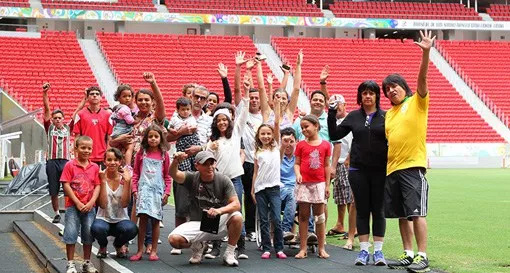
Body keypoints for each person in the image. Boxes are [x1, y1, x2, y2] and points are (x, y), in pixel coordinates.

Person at [384, 30, 435, 273]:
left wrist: (425, 54)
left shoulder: (417, 102)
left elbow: (422, 81)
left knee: (416, 213)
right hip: (392, 169)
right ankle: (408, 253)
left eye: (395, 86)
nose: (392, 91)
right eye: (388, 89)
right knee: (402, 216)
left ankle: (422, 256)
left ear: (404, 88)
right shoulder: (389, 114)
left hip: (412, 168)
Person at [328, 81, 388, 266]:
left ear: (377, 96)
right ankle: (363, 251)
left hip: (380, 170)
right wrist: (331, 112)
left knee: (378, 210)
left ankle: (378, 252)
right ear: (360, 97)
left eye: (371, 93)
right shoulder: (353, 116)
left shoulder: (387, 116)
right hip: (358, 170)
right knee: (362, 210)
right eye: (364, 93)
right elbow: (335, 134)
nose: (368, 96)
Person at [109, 72, 166, 254]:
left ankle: (149, 242)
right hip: (129, 168)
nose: (143, 102)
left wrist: (153, 83)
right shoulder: (129, 119)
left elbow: (161, 105)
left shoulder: (154, 119)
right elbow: (111, 141)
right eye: (140, 99)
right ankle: (125, 240)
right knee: (129, 205)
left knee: (149, 208)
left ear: (152, 102)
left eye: (147, 100)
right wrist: (119, 140)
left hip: (150, 170)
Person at [168, 151, 243, 267]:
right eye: (205, 164)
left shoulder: (223, 180)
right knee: (174, 240)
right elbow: (173, 174)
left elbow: (236, 204)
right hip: (197, 222)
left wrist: (219, 211)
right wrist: (175, 161)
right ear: (196, 165)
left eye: (212, 163)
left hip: (218, 222)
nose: (210, 167)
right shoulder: (192, 177)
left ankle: (229, 253)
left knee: (237, 217)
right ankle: (198, 247)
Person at [206, 78, 250, 259]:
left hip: (234, 178)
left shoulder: (236, 133)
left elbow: (243, 113)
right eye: (219, 120)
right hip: (218, 180)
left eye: (225, 120)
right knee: (215, 210)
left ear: (229, 121)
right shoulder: (212, 141)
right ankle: (215, 246)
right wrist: (210, 150)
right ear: (215, 123)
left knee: (235, 210)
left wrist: (246, 93)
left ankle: (240, 246)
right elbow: (207, 160)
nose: (222, 123)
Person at [167, 85, 213, 255]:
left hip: (203, 162)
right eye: (197, 96)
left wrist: (199, 148)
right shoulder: (177, 115)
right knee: (181, 202)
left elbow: (213, 142)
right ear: (191, 96)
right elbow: (167, 137)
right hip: (183, 160)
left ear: (207, 101)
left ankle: (205, 242)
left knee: (207, 204)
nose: (199, 100)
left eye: (203, 98)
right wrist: (182, 131)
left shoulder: (209, 119)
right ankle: (178, 240)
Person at [42, 82, 85, 224]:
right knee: (54, 190)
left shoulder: (68, 128)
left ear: (63, 119)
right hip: (52, 162)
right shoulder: (49, 128)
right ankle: (56, 213)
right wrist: (45, 93)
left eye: (60, 117)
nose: (57, 120)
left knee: (68, 189)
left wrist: (84, 98)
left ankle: (69, 212)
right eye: (55, 118)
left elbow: (77, 112)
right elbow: (47, 109)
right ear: (52, 120)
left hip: (66, 162)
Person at [250, 97, 286, 259]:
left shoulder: (276, 148)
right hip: (260, 189)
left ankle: (279, 248)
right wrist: (252, 189)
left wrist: (277, 106)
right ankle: (266, 247)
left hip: (274, 188)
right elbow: (256, 172)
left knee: (277, 219)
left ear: (272, 136)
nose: (265, 136)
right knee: (264, 220)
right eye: (262, 134)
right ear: (259, 136)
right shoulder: (257, 152)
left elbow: (277, 124)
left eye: (268, 134)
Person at [130, 125, 172, 262]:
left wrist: (167, 192)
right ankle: (139, 250)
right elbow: (135, 173)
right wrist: (135, 189)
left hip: (157, 192)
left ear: (161, 138)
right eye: (150, 136)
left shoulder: (164, 155)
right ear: (146, 138)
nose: (153, 139)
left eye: (156, 136)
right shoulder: (141, 153)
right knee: (142, 221)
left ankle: (154, 250)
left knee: (155, 221)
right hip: (143, 191)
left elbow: (167, 176)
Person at [60, 136, 100, 273]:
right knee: (71, 232)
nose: (86, 151)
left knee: (88, 233)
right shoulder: (70, 165)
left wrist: (91, 202)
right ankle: (70, 263)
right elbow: (66, 184)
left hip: (89, 207)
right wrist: (77, 202)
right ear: (76, 149)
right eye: (83, 148)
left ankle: (87, 262)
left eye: (89, 148)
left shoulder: (94, 167)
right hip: (73, 206)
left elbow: (97, 186)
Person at [234, 52, 263, 243]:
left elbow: (262, 89)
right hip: (241, 161)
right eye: (251, 97)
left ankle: (252, 229)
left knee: (254, 197)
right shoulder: (241, 112)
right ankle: (239, 228)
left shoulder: (264, 116)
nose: (253, 100)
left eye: (256, 97)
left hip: (258, 161)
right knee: (238, 195)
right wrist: (240, 68)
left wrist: (255, 70)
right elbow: (238, 91)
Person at [294, 115, 331, 259]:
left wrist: (327, 185)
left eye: (306, 127)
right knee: (303, 216)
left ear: (316, 126)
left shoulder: (326, 145)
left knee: (319, 217)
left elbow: (327, 166)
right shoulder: (301, 145)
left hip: (319, 184)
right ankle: (303, 248)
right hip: (304, 184)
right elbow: (297, 163)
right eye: (302, 128)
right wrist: (297, 173)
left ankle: (322, 247)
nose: (303, 130)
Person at [91, 148, 138, 259]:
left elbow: (125, 204)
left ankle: (118, 244)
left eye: (116, 160)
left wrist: (127, 183)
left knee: (132, 229)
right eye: (109, 160)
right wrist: (102, 182)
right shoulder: (101, 177)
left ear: (120, 161)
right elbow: (102, 204)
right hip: (103, 219)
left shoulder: (125, 178)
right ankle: (103, 246)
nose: (112, 163)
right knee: (96, 228)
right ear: (104, 161)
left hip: (121, 220)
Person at [327, 94, 357, 251]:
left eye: (340, 106)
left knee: (350, 196)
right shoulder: (334, 121)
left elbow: (355, 141)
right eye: (335, 106)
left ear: (345, 105)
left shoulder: (350, 121)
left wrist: (349, 159)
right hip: (337, 162)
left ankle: (355, 227)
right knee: (339, 195)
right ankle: (340, 223)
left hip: (346, 161)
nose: (338, 108)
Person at [73, 86, 112, 167]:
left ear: (101, 97)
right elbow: (77, 137)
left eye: (97, 94)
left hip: (102, 157)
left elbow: (109, 138)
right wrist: (76, 155)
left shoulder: (108, 115)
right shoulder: (80, 114)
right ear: (87, 97)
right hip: (84, 156)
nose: (94, 95)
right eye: (92, 94)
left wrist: (108, 155)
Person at [110, 84, 137, 166]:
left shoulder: (116, 108)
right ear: (118, 97)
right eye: (124, 96)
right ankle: (128, 165)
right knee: (130, 147)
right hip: (123, 131)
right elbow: (130, 121)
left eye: (129, 96)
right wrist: (136, 121)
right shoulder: (125, 109)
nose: (127, 98)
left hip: (117, 131)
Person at [279, 127, 298, 241]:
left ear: (296, 142)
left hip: (297, 189)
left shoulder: (299, 157)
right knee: (292, 194)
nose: (288, 144)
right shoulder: (277, 157)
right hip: (281, 190)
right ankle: (285, 229)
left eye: (291, 141)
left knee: (307, 197)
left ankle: (310, 231)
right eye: (285, 141)